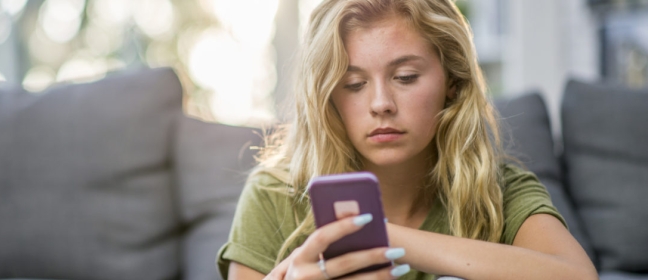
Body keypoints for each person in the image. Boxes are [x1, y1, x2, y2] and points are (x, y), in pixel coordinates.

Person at [217, 0, 597, 279]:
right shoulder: (275, 193)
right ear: (329, 96)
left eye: (405, 77)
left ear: (452, 82)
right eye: (354, 84)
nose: (381, 104)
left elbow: (577, 276)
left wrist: (378, 236)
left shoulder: (498, 191)